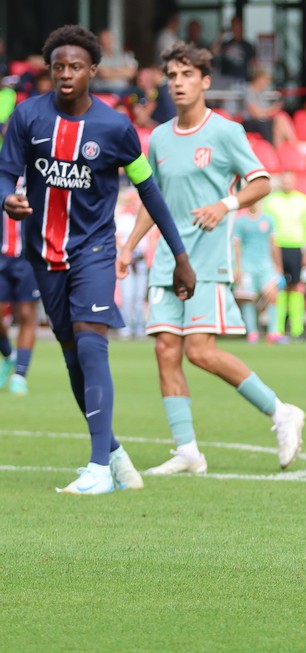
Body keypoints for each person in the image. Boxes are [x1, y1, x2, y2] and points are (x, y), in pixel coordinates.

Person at [0, 25, 196, 494]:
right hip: (43, 254)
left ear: (93, 71)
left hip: (94, 251)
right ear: (50, 72)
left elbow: (150, 189)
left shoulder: (115, 128)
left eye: (75, 67)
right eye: (58, 67)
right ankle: (111, 451)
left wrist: (180, 254)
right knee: (72, 357)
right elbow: (6, 174)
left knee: (91, 344)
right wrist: (8, 197)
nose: (66, 75)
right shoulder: (27, 117)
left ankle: (97, 470)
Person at [116, 41, 305, 475]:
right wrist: (128, 247)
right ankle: (187, 451)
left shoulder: (226, 132)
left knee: (200, 351)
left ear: (205, 82)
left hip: (206, 261)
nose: (178, 84)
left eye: (187, 76)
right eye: (172, 77)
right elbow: (151, 198)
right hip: (166, 258)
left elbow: (261, 182)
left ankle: (281, 412)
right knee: (166, 350)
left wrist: (226, 205)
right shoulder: (160, 137)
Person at [263, 171, 306, 342]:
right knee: (279, 287)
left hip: (295, 247)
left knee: (295, 286)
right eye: (284, 181)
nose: (287, 184)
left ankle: (296, 329)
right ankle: (277, 329)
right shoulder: (271, 201)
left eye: (289, 181)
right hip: (277, 247)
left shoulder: (303, 201)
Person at [0, 200, 40, 395]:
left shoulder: (36, 172)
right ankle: (9, 355)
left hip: (28, 257)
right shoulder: (4, 176)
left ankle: (20, 374)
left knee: (26, 313)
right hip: (2, 256)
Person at [233, 201, 285, 344]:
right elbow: (237, 245)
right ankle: (252, 332)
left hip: (265, 265)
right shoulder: (240, 222)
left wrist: (278, 265)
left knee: (272, 294)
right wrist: (237, 267)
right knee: (248, 298)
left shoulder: (268, 220)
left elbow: (273, 243)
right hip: (247, 265)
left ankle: (273, 331)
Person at [114, 187, 148, 339]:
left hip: (140, 261)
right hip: (127, 261)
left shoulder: (145, 218)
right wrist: (128, 250)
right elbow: (118, 239)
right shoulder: (123, 219)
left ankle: (140, 326)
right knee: (127, 296)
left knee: (139, 296)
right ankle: (126, 327)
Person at [242, 68, 296, 147]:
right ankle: (294, 145)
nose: (267, 83)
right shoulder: (249, 91)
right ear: (259, 79)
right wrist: (272, 109)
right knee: (279, 121)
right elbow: (255, 113)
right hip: (251, 123)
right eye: (266, 80)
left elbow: (263, 113)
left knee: (281, 120)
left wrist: (272, 110)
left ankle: (282, 149)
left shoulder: (260, 93)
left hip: (262, 121)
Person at [92, 29, 137, 94]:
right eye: (106, 39)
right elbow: (104, 74)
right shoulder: (96, 56)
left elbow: (131, 73)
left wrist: (111, 71)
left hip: (124, 90)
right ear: (100, 41)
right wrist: (122, 70)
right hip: (104, 91)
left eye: (110, 38)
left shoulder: (121, 55)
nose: (108, 41)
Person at [215, 15, 256, 86]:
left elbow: (254, 63)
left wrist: (253, 80)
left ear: (242, 28)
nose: (236, 29)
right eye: (234, 26)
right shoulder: (226, 44)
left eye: (238, 26)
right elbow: (214, 51)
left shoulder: (247, 46)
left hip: (242, 80)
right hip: (226, 80)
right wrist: (221, 35)